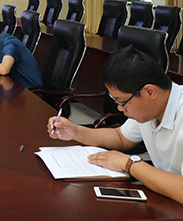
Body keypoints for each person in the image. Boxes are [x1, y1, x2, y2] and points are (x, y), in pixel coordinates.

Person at [48, 46, 183, 205]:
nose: (120, 108)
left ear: (150, 92)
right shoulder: (151, 109)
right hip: (166, 199)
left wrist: (129, 163)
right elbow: (120, 137)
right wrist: (76, 131)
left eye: (122, 102)